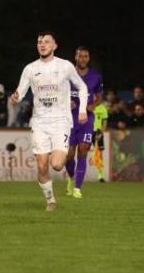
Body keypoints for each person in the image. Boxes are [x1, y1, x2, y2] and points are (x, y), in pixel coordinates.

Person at [10, 31, 88, 212]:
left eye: (46, 42)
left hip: (61, 121)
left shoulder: (65, 66)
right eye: (39, 42)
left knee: (57, 164)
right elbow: (20, 92)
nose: (42, 44)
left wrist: (82, 110)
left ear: (54, 46)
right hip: (39, 122)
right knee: (42, 164)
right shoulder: (30, 69)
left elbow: (82, 87)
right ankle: (50, 200)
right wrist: (15, 97)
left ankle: (64, 170)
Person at [64, 46, 103, 199]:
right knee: (68, 156)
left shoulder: (95, 77)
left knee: (83, 150)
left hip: (86, 119)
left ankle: (77, 188)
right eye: (80, 56)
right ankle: (70, 177)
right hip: (69, 119)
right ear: (76, 57)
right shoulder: (67, 75)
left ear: (89, 58)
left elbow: (99, 96)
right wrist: (66, 102)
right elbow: (57, 92)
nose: (83, 59)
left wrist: (92, 106)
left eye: (86, 56)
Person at [92, 101, 109, 182]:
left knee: (99, 154)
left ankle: (100, 176)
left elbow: (105, 122)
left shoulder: (102, 108)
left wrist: (101, 133)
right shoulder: (88, 105)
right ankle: (78, 173)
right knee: (82, 151)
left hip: (97, 132)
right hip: (88, 131)